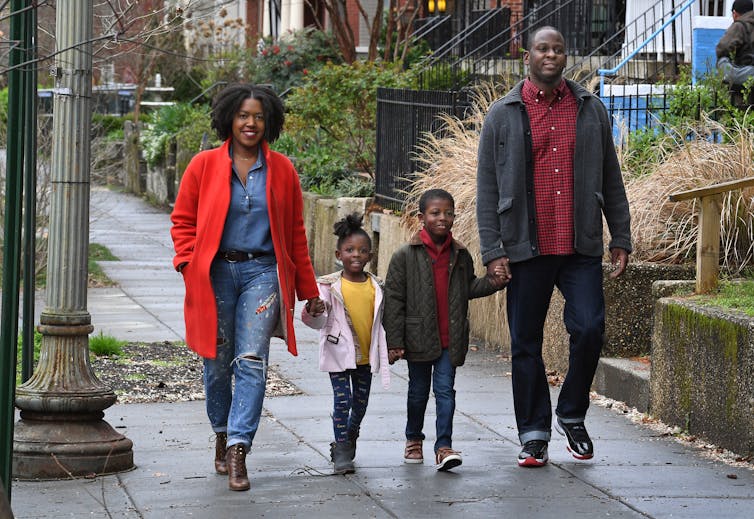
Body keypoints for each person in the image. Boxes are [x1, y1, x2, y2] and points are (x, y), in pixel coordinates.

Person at [476, 26, 632, 468]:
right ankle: (534, 433)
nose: (551, 55)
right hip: (525, 249)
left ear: (566, 55)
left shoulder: (589, 109)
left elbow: (611, 178)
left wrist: (620, 235)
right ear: (527, 55)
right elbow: (487, 188)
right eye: (543, 48)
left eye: (558, 49)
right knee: (525, 342)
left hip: (579, 246)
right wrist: (493, 250)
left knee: (589, 328)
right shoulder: (503, 114)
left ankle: (571, 412)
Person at [170, 83, 324, 491]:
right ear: (229, 119)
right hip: (215, 273)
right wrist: (187, 261)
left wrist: (309, 289)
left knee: (251, 359)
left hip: (264, 274)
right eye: (243, 115)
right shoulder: (202, 165)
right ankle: (221, 431)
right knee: (217, 363)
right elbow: (182, 220)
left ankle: (239, 447)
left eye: (257, 116)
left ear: (268, 120)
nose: (250, 123)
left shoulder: (283, 170)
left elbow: (294, 234)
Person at [384, 189, 507, 472]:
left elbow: (469, 288)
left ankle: (443, 446)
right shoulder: (405, 256)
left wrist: (494, 282)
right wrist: (394, 341)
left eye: (448, 213)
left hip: (449, 340)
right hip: (417, 339)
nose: (443, 218)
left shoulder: (460, 255)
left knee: (445, 392)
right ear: (421, 217)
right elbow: (394, 300)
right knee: (417, 392)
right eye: (435, 213)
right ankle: (413, 439)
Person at [302, 213, 390, 474]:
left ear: (370, 256)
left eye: (363, 251)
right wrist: (314, 309)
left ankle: (349, 437)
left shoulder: (377, 286)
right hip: (338, 354)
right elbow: (315, 321)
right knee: (343, 401)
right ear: (339, 254)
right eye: (350, 250)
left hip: (365, 357)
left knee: (360, 405)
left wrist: (391, 347)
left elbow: (383, 322)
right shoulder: (328, 286)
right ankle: (342, 451)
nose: (356, 255)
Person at [716, 0, 754, 87]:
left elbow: (722, 48)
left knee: (722, 62)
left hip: (744, 74)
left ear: (734, 13)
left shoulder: (739, 26)